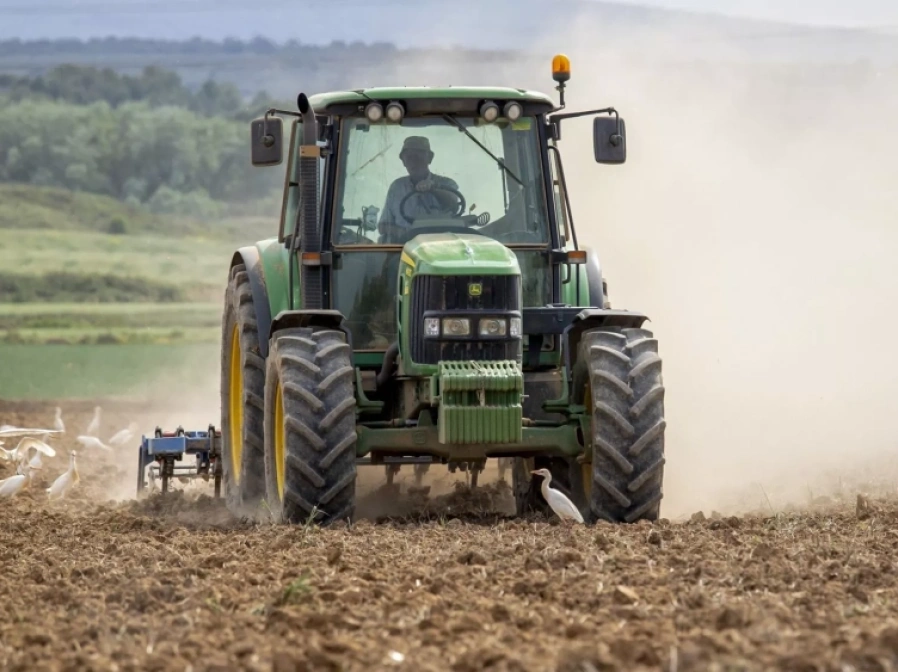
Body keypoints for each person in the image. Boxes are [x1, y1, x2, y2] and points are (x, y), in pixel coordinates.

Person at [377, 136, 463, 243]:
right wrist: (404, 232)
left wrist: (434, 188)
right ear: (404, 162)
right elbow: (383, 226)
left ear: (429, 159)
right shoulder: (396, 187)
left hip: (441, 245)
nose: (413, 163)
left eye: (418, 157)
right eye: (408, 158)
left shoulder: (447, 184)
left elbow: (454, 205)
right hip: (404, 249)